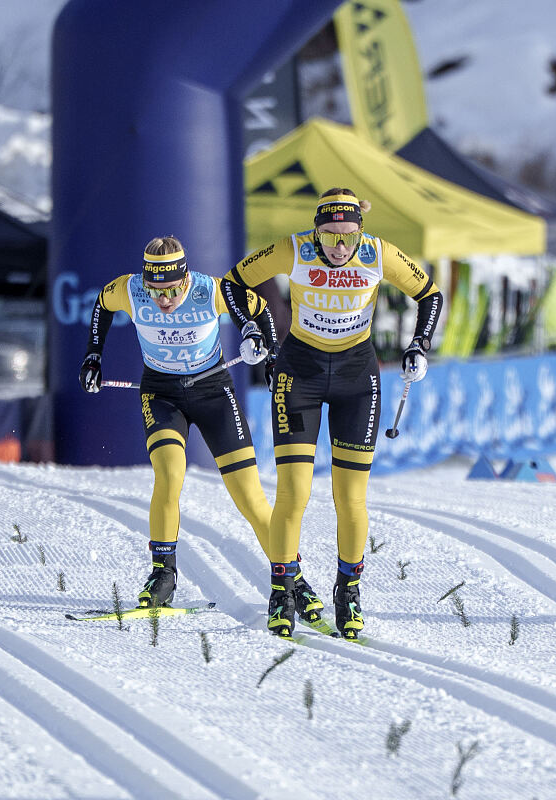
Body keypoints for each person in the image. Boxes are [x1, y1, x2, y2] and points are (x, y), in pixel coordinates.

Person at [220, 188, 443, 640]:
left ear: (360, 231)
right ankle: (282, 591)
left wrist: (419, 344)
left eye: (348, 237)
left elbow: (430, 294)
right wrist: (250, 326)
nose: (340, 247)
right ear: (315, 230)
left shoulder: (379, 253)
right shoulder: (293, 248)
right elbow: (231, 282)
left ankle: (349, 590)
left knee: (351, 497)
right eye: (330, 236)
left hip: (356, 380)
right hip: (298, 375)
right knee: (294, 493)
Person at [78, 235, 322, 612]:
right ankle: (163, 575)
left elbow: (261, 310)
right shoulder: (130, 288)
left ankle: (294, 579)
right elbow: (102, 305)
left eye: (172, 290)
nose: (164, 301)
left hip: (213, 393)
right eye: (155, 291)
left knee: (250, 498)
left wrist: (271, 354)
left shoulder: (212, 290)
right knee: (169, 473)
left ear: (185, 278)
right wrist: (94, 353)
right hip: (161, 393)